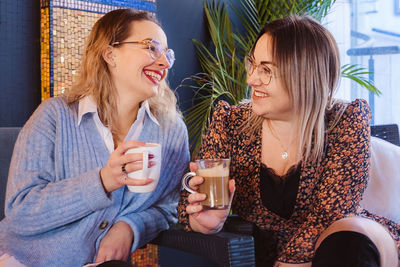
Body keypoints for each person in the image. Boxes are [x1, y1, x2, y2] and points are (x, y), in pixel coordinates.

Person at [178, 16, 399, 266]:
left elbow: (331, 214)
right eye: (253, 65)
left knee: (346, 236)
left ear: (305, 74)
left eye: (267, 70)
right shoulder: (229, 123)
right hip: (270, 255)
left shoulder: (346, 120)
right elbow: (190, 207)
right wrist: (207, 222)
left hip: (345, 245)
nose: (251, 79)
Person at [0, 8, 189, 267]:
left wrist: (131, 228)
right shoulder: (54, 116)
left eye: (167, 54)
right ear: (110, 54)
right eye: (152, 48)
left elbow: (169, 206)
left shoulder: (171, 130)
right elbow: (20, 213)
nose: (164, 63)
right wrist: (102, 181)